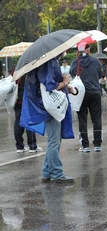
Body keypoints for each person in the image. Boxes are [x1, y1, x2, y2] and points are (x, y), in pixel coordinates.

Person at [20, 55, 75, 183]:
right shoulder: (50, 62)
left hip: (47, 107)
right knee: (54, 141)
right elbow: (51, 86)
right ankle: (57, 174)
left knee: (53, 141)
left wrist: (65, 85)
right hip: (51, 108)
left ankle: (46, 172)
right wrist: (65, 82)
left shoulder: (46, 61)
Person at [70, 43, 102, 153]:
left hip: (81, 94)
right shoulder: (96, 61)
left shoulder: (75, 62)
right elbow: (100, 74)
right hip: (95, 92)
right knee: (96, 118)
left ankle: (85, 145)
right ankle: (97, 144)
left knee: (82, 119)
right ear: (88, 50)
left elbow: (72, 75)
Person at [13, 74, 43, 153]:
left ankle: (19, 146)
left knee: (18, 122)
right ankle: (32, 146)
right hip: (28, 100)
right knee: (30, 121)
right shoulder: (30, 70)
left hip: (17, 100)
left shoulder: (16, 70)